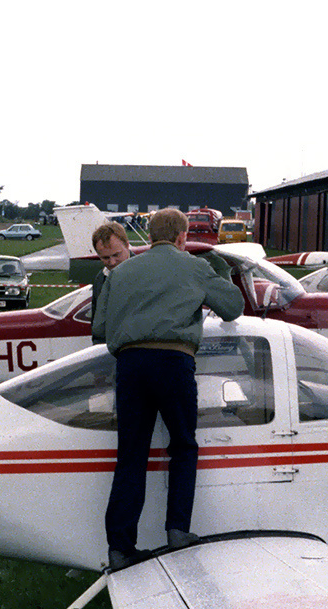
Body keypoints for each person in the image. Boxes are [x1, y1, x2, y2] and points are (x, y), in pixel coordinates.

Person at [91, 207, 245, 571]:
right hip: (173, 363)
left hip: (129, 366)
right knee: (183, 445)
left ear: (148, 234)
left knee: (131, 455)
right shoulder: (193, 266)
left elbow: (100, 326)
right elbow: (233, 307)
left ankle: (120, 547)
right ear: (181, 237)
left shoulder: (121, 271)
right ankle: (177, 530)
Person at [89, 220, 132, 331]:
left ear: (127, 245)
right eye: (105, 258)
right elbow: (97, 323)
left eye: (116, 255)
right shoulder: (100, 280)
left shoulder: (146, 273)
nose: (112, 262)